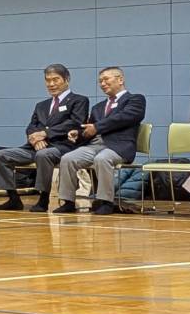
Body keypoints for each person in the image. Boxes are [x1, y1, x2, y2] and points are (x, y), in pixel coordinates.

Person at [0, 64, 89, 212]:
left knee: (44, 154)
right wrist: (35, 139)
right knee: (0, 156)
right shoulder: (41, 105)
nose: (51, 84)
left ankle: (43, 199)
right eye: (48, 80)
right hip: (34, 147)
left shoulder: (79, 100)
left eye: (55, 79)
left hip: (62, 147)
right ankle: (13, 198)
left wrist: (45, 134)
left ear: (66, 79)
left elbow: (74, 123)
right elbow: (32, 126)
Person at [54, 67, 147, 216]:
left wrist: (97, 127)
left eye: (106, 79)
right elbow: (88, 130)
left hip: (119, 146)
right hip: (95, 145)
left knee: (102, 159)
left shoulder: (135, 99)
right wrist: (77, 134)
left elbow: (126, 117)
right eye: (100, 81)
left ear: (120, 80)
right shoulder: (98, 107)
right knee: (68, 158)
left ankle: (105, 202)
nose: (102, 83)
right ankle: (68, 201)